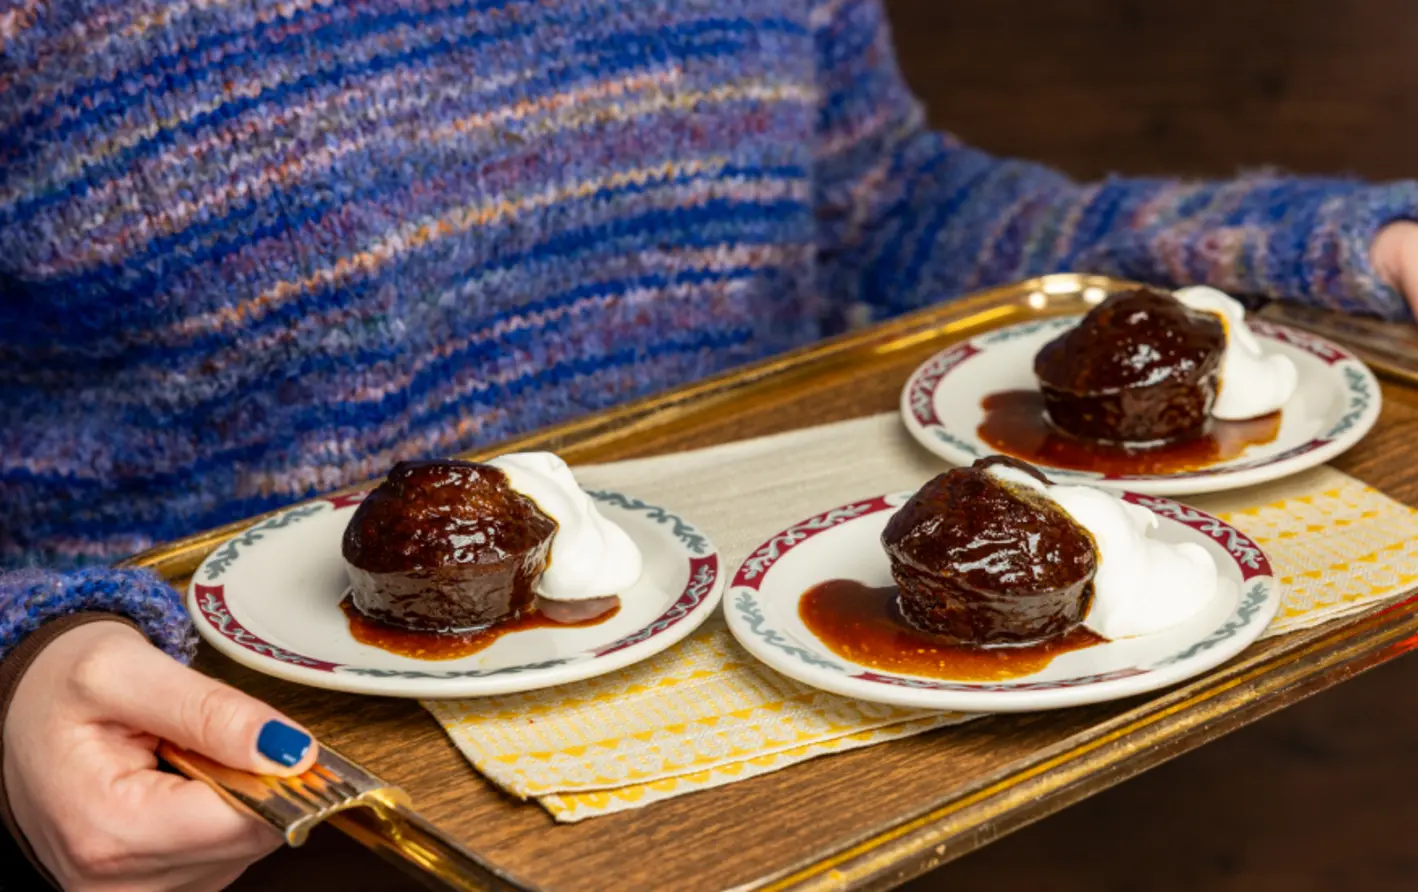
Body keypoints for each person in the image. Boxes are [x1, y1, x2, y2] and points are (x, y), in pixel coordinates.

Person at [3, 0, 1417, 888]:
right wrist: (23, 645)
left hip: (781, 768)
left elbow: (878, 210)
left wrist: (1332, 249)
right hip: (263, 804)